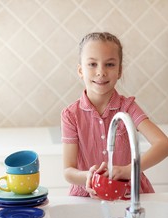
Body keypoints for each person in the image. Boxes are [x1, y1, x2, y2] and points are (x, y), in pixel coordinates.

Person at [61, 32, 168, 198]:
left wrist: (128, 170)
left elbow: (163, 144)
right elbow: (68, 171)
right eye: (92, 64)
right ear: (81, 70)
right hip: (86, 196)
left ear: (119, 71)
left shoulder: (128, 107)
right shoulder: (71, 115)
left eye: (110, 64)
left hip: (130, 195)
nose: (101, 72)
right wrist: (88, 178)